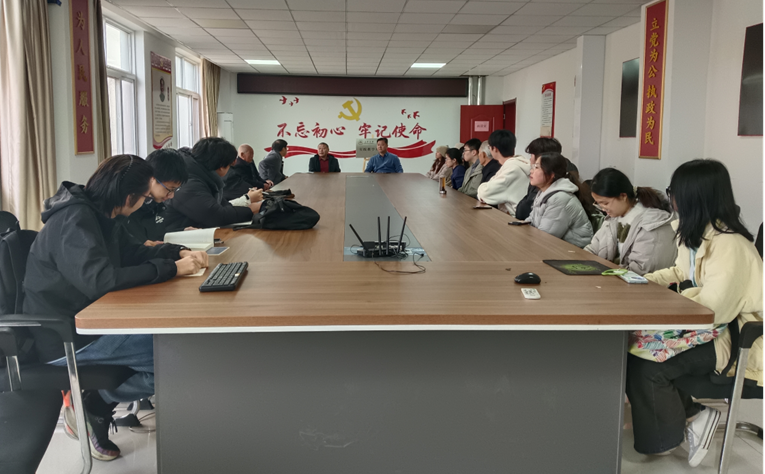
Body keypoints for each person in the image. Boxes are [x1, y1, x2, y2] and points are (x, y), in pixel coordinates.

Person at [23, 155, 209, 461]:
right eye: (145, 197)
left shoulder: (101, 212)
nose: (146, 202)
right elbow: (101, 281)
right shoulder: (74, 220)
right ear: (128, 197)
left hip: (95, 321)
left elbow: (131, 252)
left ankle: (94, 400)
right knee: (180, 355)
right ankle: (95, 402)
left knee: (179, 345)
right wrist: (172, 269)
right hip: (65, 336)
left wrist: (177, 252)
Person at [628, 159, 763, 467]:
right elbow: (681, 271)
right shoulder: (698, 233)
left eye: (673, 191)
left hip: (739, 339)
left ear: (692, 196)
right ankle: (692, 416)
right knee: (634, 346)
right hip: (716, 330)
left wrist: (671, 299)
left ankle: (671, 435)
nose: (670, 198)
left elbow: (714, 309)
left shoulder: (730, 245)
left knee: (648, 365)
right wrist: (642, 281)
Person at [585, 168, 676, 274]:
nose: (603, 209)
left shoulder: (651, 225)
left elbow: (640, 271)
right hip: (615, 278)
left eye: (605, 203)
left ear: (623, 196)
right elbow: (593, 249)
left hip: (641, 282)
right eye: (598, 203)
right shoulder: (614, 218)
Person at [164, 137, 262, 230]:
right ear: (221, 166)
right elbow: (216, 216)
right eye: (229, 166)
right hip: (177, 235)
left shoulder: (202, 175)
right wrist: (251, 210)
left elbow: (223, 206)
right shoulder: (188, 181)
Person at [524, 152, 593, 247]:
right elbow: (532, 219)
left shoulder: (560, 198)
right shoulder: (543, 192)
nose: (531, 171)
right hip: (554, 246)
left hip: (574, 250)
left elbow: (546, 237)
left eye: (537, 167)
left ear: (551, 174)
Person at [123, 148, 188, 246]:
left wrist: (182, 232)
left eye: (175, 190)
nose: (171, 195)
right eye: (170, 189)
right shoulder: (129, 207)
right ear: (152, 179)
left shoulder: (157, 205)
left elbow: (156, 237)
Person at [515, 137, 578, 221]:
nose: (530, 159)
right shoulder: (542, 175)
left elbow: (524, 211)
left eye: (531, 155)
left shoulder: (549, 180)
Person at [476, 130, 530, 216]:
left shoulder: (512, 169)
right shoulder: (516, 163)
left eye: (489, 147)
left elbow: (484, 194)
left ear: (495, 149)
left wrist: (481, 188)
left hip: (515, 218)